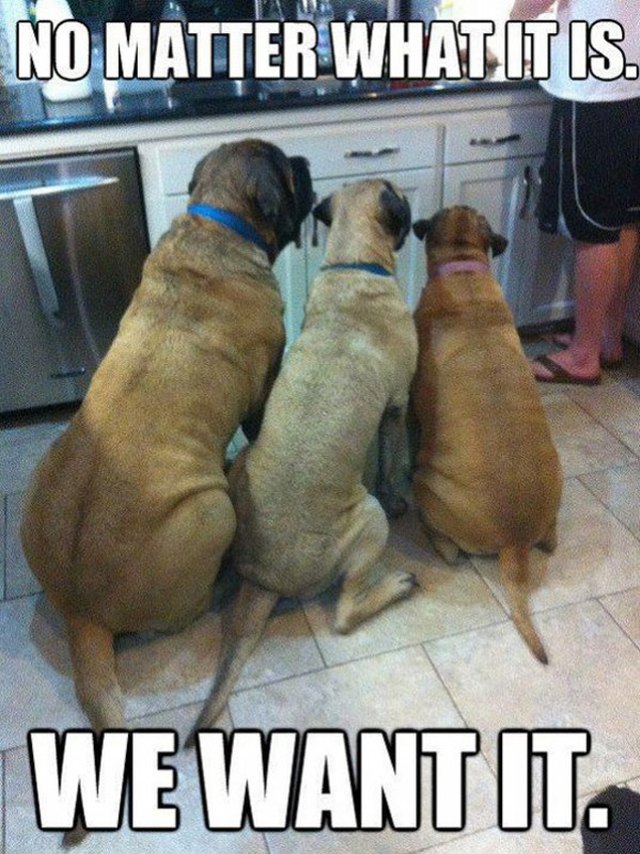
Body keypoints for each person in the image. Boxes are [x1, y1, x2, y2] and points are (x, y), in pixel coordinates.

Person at [510, 0, 640, 384]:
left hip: (594, 90)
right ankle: (607, 339)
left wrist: (518, 17)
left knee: (593, 228)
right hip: (630, 79)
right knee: (622, 219)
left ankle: (583, 356)